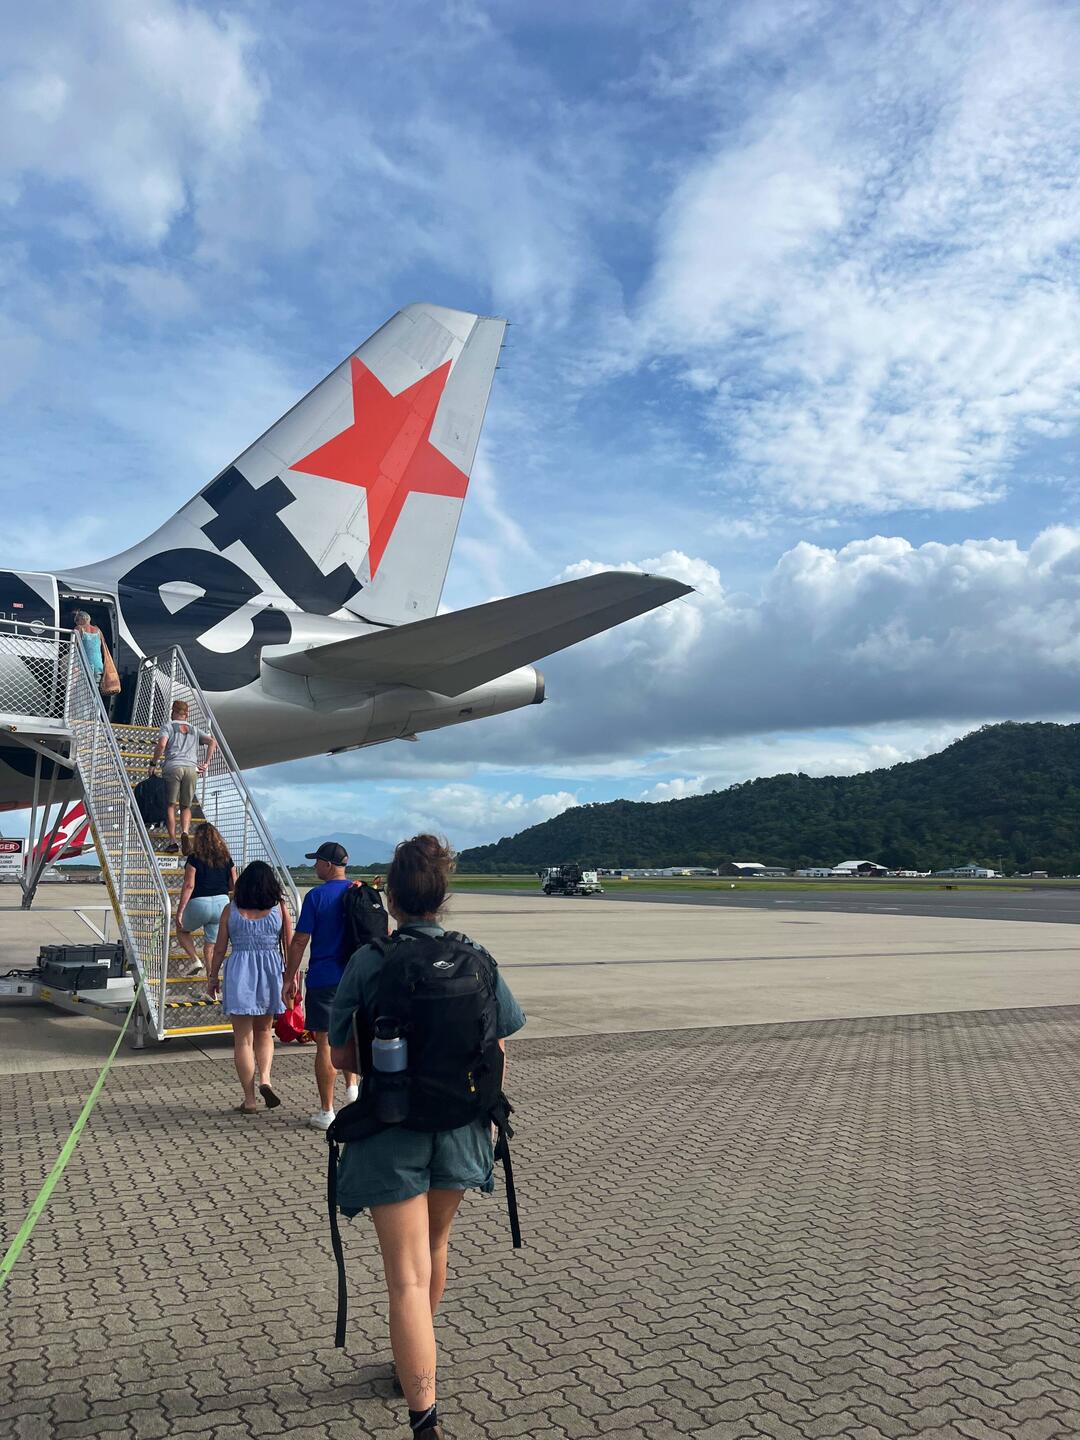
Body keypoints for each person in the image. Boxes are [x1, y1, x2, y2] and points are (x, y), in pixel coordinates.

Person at [328, 835, 526, 1440]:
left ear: (389, 896)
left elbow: (341, 1056)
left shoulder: (370, 961)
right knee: (435, 1248)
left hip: (392, 1130)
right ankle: (416, 1364)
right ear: (444, 894)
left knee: (404, 1279)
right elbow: (498, 1046)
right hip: (462, 1127)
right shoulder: (478, 957)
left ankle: (424, 1417)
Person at [283, 841, 359, 1130]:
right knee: (353, 1035)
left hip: (325, 978)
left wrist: (289, 977)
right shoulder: (360, 891)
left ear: (328, 865)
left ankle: (327, 1111)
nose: (314, 866)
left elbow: (300, 940)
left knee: (325, 1042)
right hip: (356, 977)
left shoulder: (317, 896)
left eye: (317, 862)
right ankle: (353, 1090)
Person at [206, 860, 293, 1114]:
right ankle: (266, 1078)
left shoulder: (230, 910)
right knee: (265, 1032)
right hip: (270, 970)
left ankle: (250, 1099)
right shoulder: (279, 909)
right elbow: (289, 944)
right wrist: (291, 978)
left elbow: (220, 948)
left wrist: (212, 977)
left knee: (242, 1039)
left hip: (239, 970)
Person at [150, 700, 217, 853]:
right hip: (191, 769)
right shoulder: (194, 729)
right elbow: (212, 742)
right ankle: (185, 833)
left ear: (173, 712)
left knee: (170, 805)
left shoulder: (168, 726)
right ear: (186, 714)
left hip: (173, 767)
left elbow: (161, 745)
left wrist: (153, 763)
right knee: (186, 806)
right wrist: (206, 763)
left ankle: (173, 841)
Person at [174, 822, 236, 975]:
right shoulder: (227, 858)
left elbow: (189, 885)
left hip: (200, 902)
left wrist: (180, 911)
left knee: (182, 931)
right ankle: (212, 984)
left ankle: (195, 959)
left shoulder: (194, 858)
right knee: (211, 946)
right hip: (222, 904)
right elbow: (234, 884)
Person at [72, 611, 104, 686]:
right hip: (98, 665)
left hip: (84, 664)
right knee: (95, 689)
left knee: (82, 690)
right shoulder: (98, 630)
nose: (76, 623)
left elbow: (73, 646)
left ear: (81, 619)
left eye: (77, 621)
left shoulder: (79, 628)